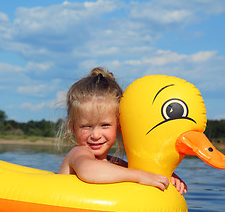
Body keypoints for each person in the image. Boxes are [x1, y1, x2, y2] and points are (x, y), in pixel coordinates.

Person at [58, 67, 187, 194]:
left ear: (119, 126)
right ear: (72, 127)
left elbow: (146, 171)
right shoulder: (78, 153)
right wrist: (140, 176)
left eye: (105, 125)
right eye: (86, 126)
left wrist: (166, 176)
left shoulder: (116, 164)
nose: (95, 135)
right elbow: (88, 170)